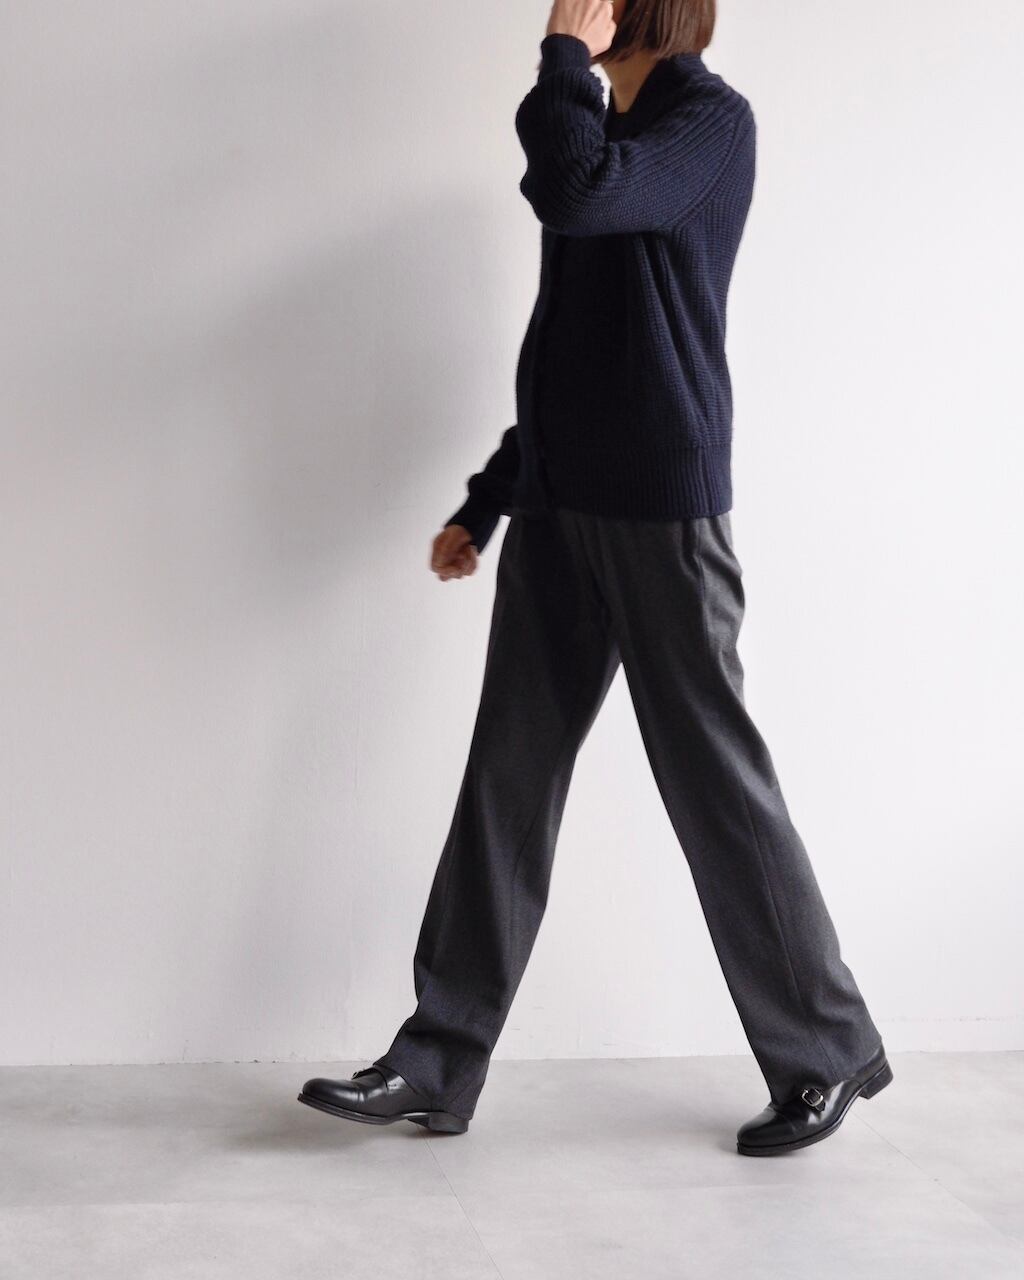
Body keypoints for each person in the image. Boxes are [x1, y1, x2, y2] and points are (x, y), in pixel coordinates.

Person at [299, 0, 891, 1155]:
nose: (568, 3)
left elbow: (572, 192)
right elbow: (571, 352)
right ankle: (435, 1061)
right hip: (561, 508)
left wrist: (563, 57)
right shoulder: (604, 133)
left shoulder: (707, 125)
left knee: (715, 784)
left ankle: (825, 1051)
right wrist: (491, 498)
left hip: (663, 514)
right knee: (506, 779)